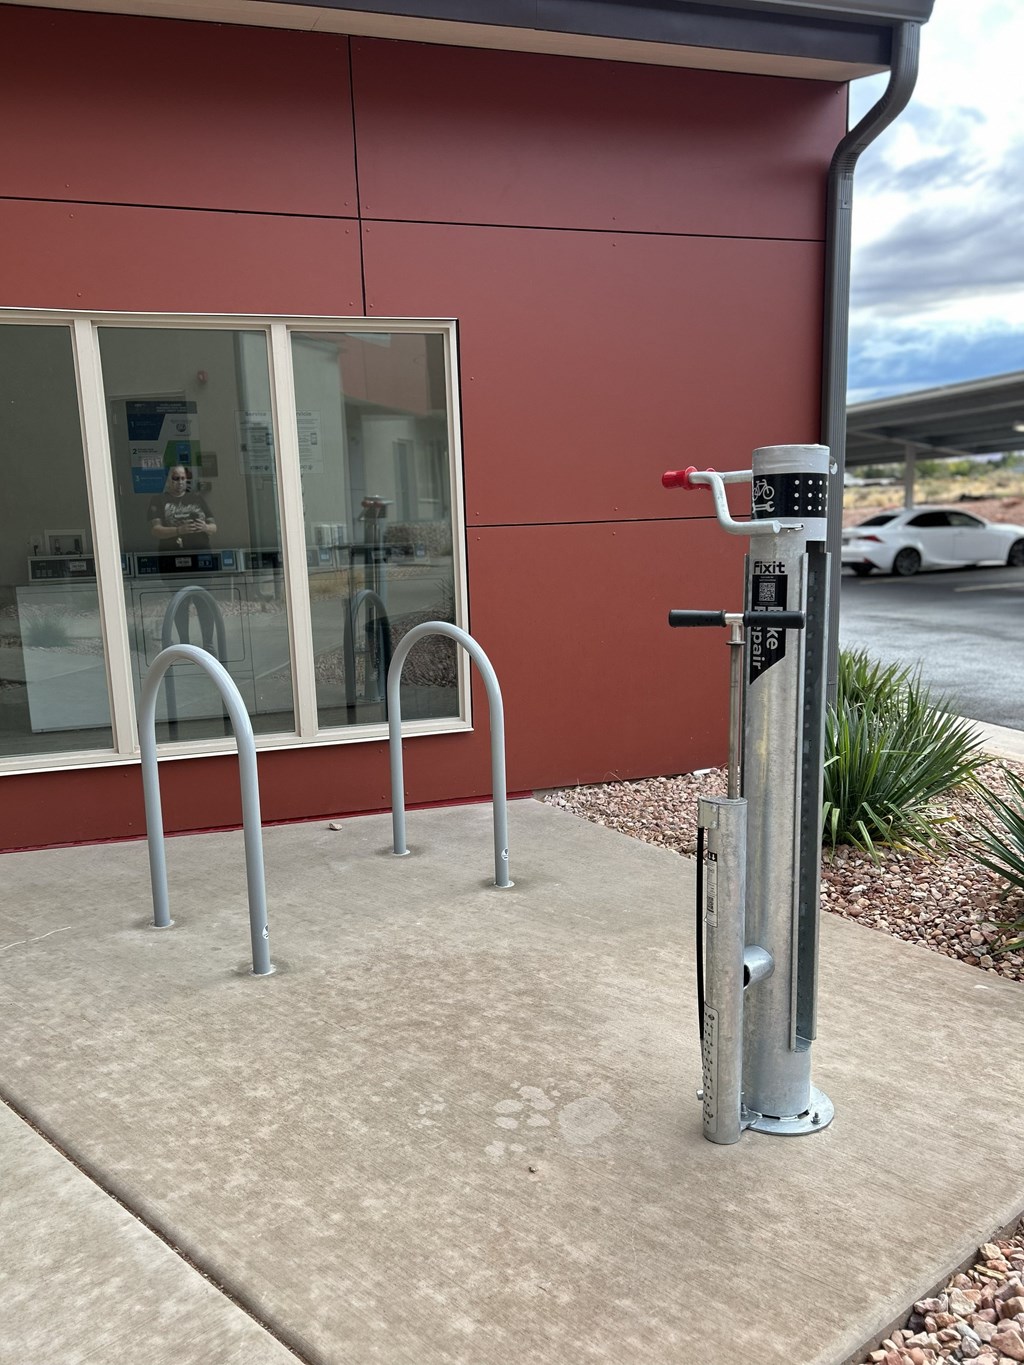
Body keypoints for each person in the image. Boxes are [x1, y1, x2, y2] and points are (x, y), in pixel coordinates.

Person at [147, 466, 219, 649]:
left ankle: (208, 644)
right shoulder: (159, 500)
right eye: (176, 478)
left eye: (183, 478)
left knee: (203, 601)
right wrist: (179, 530)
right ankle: (185, 644)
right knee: (180, 602)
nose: (180, 482)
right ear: (168, 479)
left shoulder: (197, 499)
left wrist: (204, 527)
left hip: (200, 557)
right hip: (174, 559)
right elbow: (156, 530)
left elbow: (214, 527)